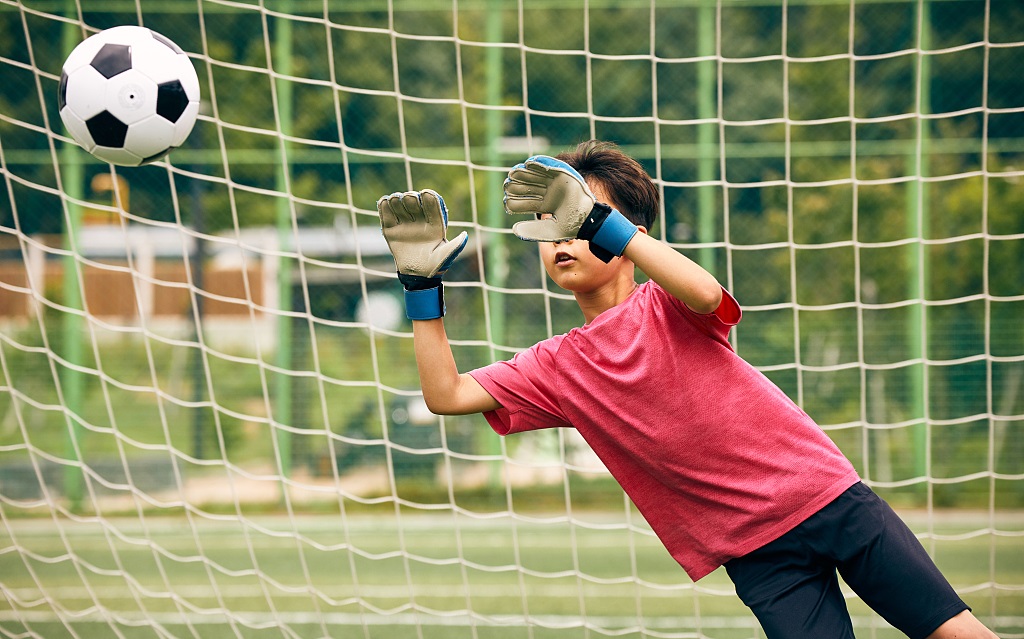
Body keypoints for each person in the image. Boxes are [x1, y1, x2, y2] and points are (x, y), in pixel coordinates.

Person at [375, 140, 999, 639]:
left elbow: (706, 292)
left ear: (626, 231)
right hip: (755, 552)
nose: (560, 235)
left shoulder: (668, 301)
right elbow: (447, 395)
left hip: (827, 498)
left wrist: (602, 224)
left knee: (952, 632)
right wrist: (419, 287)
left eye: (574, 216)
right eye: (548, 222)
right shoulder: (557, 366)